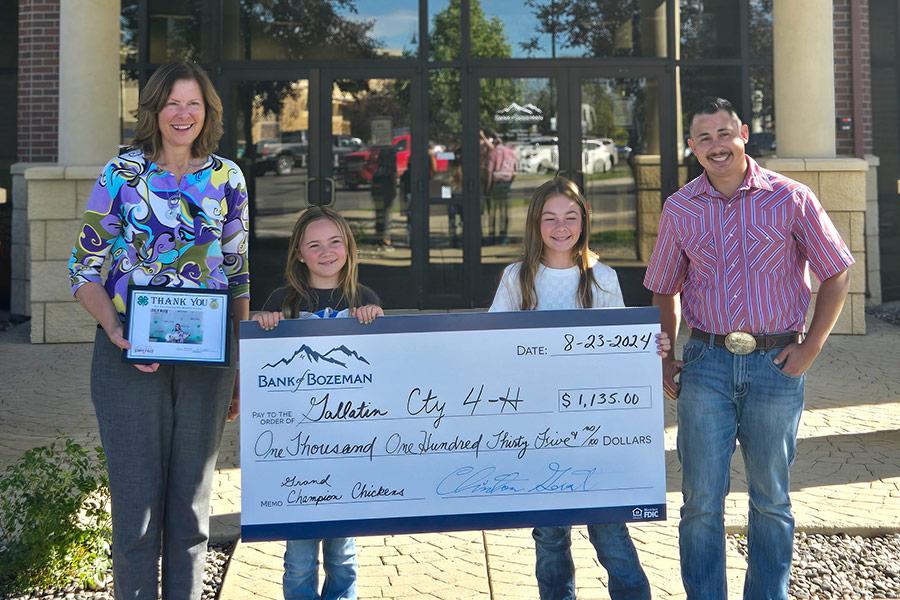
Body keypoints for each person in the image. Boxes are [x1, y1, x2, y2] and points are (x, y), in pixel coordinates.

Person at [643, 97, 854, 600]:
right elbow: (663, 287)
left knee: (772, 500)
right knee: (700, 502)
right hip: (706, 364)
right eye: (704, 138)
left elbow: (837, 270)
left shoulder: (791, 198)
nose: (716, 146)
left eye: (723, 133)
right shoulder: (680, 207)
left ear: (742, 132)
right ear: (692, 148)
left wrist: (811, 348)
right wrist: (668, 356)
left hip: (776, 365)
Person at [67, 61, 249, 600]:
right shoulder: (120, 175)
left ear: (207, 112)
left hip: (207, 367)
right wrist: (116, 329)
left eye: (193, 103)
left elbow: (238, 277)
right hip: (127, 362)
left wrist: (240, 367)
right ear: (154, 109)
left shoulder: (227, 179)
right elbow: (83, 270)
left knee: (192, 515)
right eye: (172, 102)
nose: (182, 114)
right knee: (137, 516)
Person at [489, 176, 668, 600]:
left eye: (570, 217)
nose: (560, 226)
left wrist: (649, 346)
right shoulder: (517, 278)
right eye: (549, 217)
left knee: (610, 534)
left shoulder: (602, 278)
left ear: (584, 222)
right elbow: (492, 344)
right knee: (550, 538)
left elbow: (622, 351)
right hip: (539, 435)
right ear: (535, 224)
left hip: (595, 434)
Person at [253, 206, 383, 600]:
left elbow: (383, 365)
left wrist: (378, 319)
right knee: (299, 555)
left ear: (348, 247)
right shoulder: (283, 300)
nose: (326, 252)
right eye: (314, 244)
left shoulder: (363, 297)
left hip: (348, 447)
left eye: (334, 242)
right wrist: (263, 324)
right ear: (299, 253)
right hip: (297, 452)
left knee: (342, 552)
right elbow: (265, 362)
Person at [485, 132, 518, 245]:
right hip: (507, 183)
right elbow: (515, 170)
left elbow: (489, 171)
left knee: (493, 211)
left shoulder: (493, 153)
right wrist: (510, 182)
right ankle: (503, 236)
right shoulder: (511, 152)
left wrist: (488, 187)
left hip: (496, 182)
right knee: (504, 211)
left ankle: (492, 235)